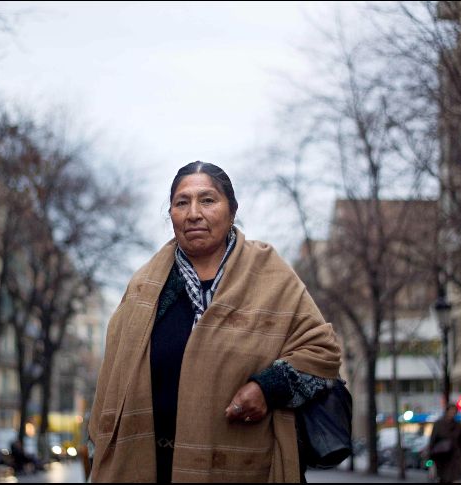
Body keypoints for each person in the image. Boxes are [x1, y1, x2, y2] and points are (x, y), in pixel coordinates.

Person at [88, 161, 342, 483]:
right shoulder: (145, 287)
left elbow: (323, 353)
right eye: (182, 203)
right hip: (153, 468)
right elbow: (112, 381)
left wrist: (268, 388)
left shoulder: (271, 276)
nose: (193, 213)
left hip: (248, 469)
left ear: (232, 211)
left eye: (207, 200)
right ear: (172, 215)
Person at [428, 404, 461, 483]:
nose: (452, 413)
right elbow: (432, 442)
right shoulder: (438, 425)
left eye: (454, 411)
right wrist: (431, 462)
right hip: (442, 458)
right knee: (443, 479)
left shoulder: (458, 426)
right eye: (451, 411)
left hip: (455, 458)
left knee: (455, 479)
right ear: (447, 411)